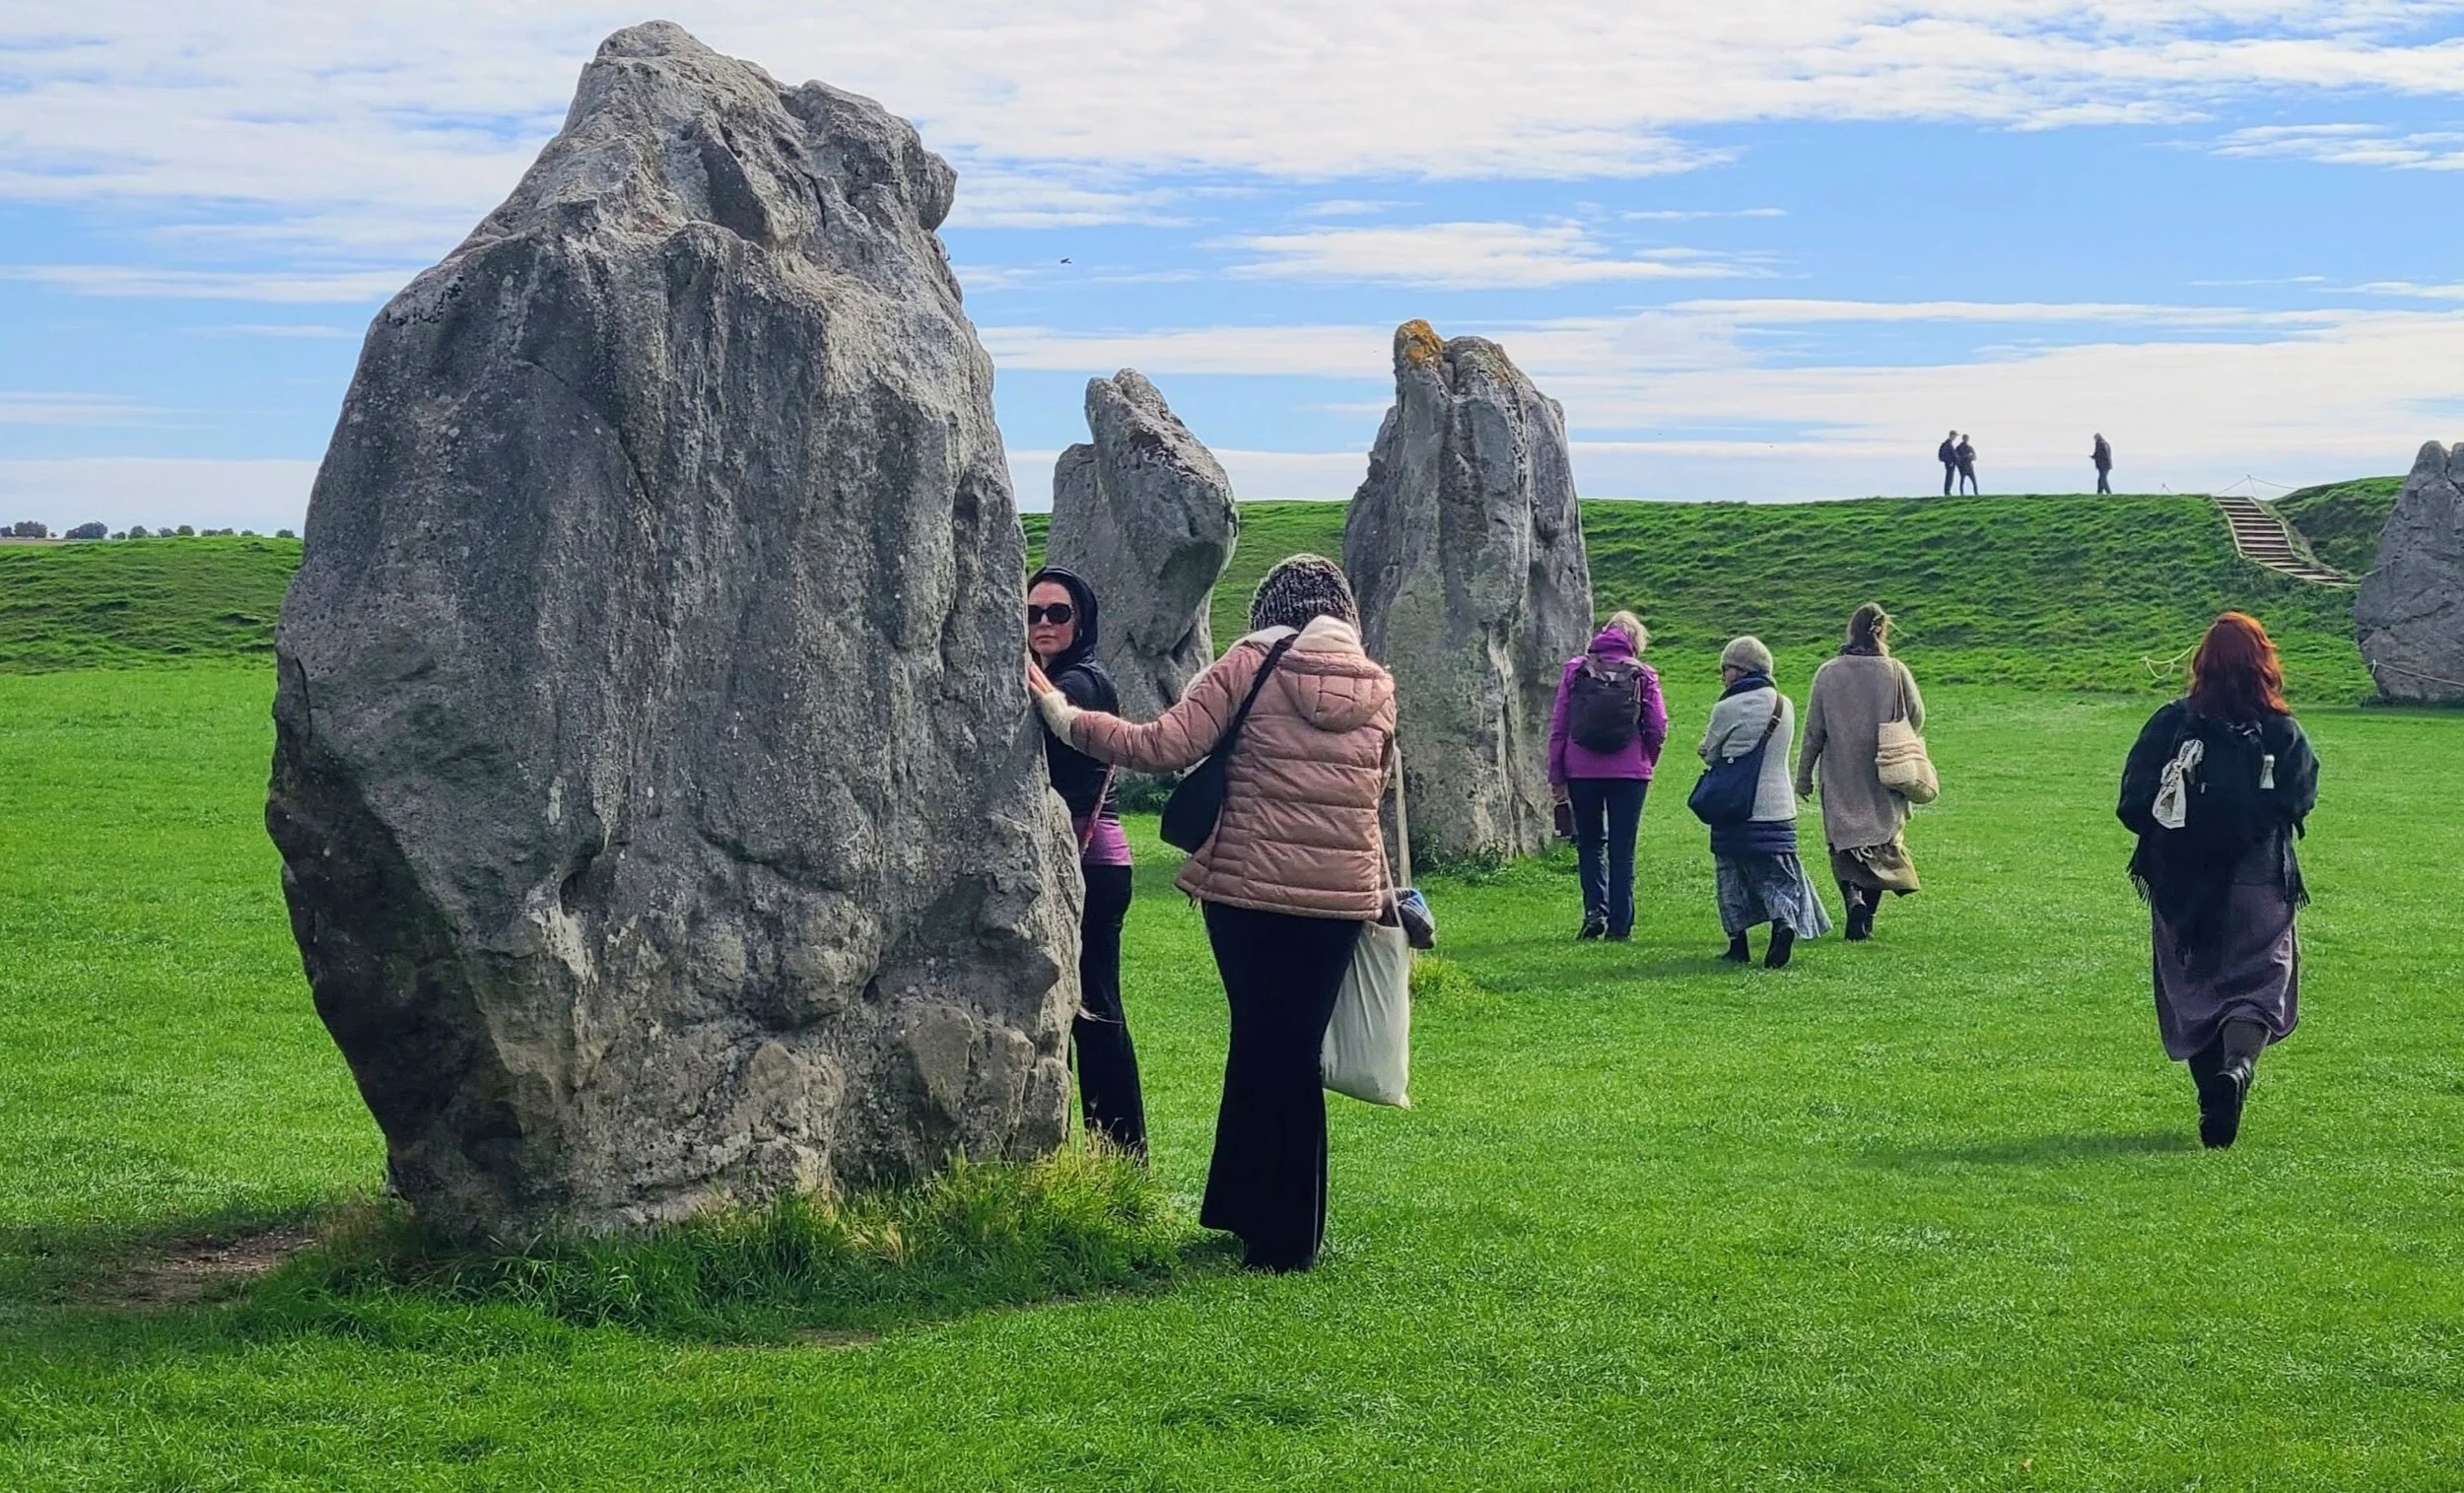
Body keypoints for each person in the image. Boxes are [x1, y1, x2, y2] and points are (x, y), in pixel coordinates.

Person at [1028, 555, 1395, 1271]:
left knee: (1261, 1042)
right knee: (1291, 1048)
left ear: (1269, 609)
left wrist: (1063, 715)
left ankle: (1281, 1242)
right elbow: (1373, 794)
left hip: (1249, 890)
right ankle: (1251, 1212)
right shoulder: (1377, 684)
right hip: (1340, 899)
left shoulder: (1250, 661)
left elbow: (1162, 746)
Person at [2117, 612, 2317, 1149]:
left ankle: (2213, 1098)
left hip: (2182, 885)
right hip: (2259, 882)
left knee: (2194, 988)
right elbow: (2300, 799)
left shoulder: (2171, 723)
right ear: (2264, 664)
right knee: (2258, 984)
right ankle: (2238, 1069)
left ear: (2201, 663)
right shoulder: (2282, 730)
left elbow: (2133, 802)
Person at [1025, 566, 1147, 1159]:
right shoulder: (1058, 674)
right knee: (1075, 1005)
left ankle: (1121, 1153)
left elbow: (1057, 724)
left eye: (1058, 613)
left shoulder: (1083, 681)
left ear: (1082, 621)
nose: (1044, 623)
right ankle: (1093, 1149)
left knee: (1094, 1008)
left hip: (1090, 866)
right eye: (1032, 613)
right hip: (1072, 862)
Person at [1698, 637, 1831, 968]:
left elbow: (1710, 752)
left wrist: (1707, 748)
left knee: (1731, 874)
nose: (1722, 675)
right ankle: (1783, 923)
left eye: (1726, 668)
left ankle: (1738, 945)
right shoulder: (1784, 705)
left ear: (1742, 670)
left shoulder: (1727, 707)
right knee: (1776, 874)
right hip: (1778, 806)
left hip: (1736, 805)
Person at [1796, 603, 1925, 942]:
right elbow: (1917, 714)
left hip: (1840, 771)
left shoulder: (1828, 673)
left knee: (1844, 843)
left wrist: (1804, 776)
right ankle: (1868, 916)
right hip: (1884, 769)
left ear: (1851, 631)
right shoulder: (1896, 671)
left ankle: (1852, 897)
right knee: (1881, 843)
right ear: (1882, 630)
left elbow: (1814, 730)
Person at [1546, 610, 1668, 941]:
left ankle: (1594, 913)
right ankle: (1620, 925)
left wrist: (1557, 773)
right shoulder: (1643, 674)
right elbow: (1657, 725)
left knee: (1589, 843)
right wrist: (1648, 759)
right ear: (1635, 640)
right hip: (1630, 773)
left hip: (1581, 770)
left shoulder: (1576, 669)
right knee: (1622, 847)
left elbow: (1559, 725)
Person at [1938, 431, 1959, 496]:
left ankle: (1948, 491)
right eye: (1955, 436)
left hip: (1951, 463)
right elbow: (1946, 454)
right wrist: (1950, 462)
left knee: (1950, 477)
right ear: (1951, 435)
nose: (1955, 437)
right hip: (1950, 464)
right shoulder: (1947, 444)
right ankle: (1947, 492)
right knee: (1949, 477)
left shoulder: (1949, 443)